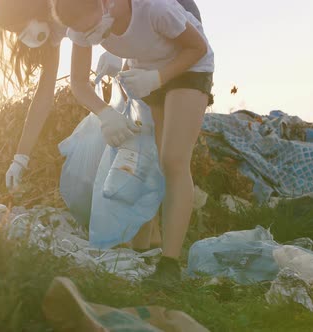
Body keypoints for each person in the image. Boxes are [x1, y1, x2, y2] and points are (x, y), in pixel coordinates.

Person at [52, 0, 215, 283]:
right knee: (146, 160)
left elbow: (197, 47)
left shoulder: (154, 8)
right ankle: (145, 244)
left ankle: (169, 264)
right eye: (81, 32)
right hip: (144, 71)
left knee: (173, 160)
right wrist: (105, 114)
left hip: (188, 67)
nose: (89, 36)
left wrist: (158, 77)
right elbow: (78, 82)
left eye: (91, 28)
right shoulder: (81, 25)